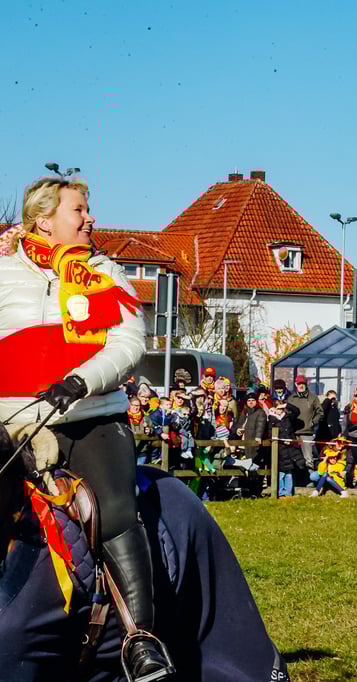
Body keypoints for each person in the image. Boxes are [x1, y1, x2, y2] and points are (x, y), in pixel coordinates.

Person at [0, 177, 173, 678]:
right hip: (12, 421)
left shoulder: (106, 272)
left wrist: (81, 381)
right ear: (43, 220)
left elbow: (128, 345)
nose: (90, 218)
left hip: (89, 417)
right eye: (79, 209)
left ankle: (141, 640)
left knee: (114, 510)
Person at [287, 375, 323, 474]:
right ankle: (296, 479)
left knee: (308, 459)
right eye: (299, 384)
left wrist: (313, 422)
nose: (301, 386)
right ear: (296, 384)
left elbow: (320, 412)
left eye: (303, 383)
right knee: (294, 457)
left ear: (306, 384)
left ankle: (310, 479)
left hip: (307, 433)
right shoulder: (291, 398)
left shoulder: (313, 398)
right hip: (293, 433)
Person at [268, 401, 303, 496]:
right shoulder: (271, 419)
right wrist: (283, 441)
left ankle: (288, 492)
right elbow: (270, 434)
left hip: (290, 449)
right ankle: (280, 492)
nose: (280, 411)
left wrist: (286, 405)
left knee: (289, 471)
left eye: (282, 409)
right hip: (279, 449)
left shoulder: (288, 417)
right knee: (281, 472)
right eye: (278, 408)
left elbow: (297, 411)